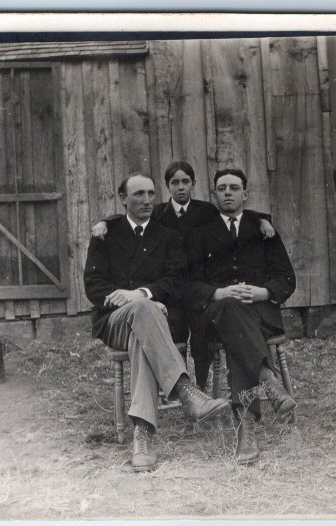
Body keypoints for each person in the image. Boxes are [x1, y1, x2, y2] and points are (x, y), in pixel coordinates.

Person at [83, 173, 229, 472]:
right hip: (114, 320)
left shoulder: (168, 236)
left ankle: (143, 433)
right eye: (138, 194)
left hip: (154, 323)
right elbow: (93, 286)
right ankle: (185, 390)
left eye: (151, 193)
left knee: (144, 321)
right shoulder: (105, 235)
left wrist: (142, 295)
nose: (147, 200)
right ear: (123, 198)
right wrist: (128, 300)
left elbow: (176, 281)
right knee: (142, 310)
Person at [91, 161, 275, 391]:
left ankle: (200, 385)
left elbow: (236, 212)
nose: (181, 187)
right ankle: (181, 385)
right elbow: (130, 219)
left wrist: (262, 219)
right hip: (173, 288)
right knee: (177, 333)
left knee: (201, 336)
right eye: (175, 182)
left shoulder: (206, 210)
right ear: (168, 186)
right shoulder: (157, 212)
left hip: (198, 281)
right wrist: (104, 221)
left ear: (194, 184)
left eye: (185, 181)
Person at [185, 168, 297, 464]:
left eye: (234, 188)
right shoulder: (200, 234)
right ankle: (268, 381)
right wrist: (218, 293)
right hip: (216, 312)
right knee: (231, 312)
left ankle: (246, 430)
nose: (228, 192)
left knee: (236, 334)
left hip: (259, 312)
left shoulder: (264, 231)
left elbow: (287, 278)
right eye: (222, 188)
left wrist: (262, 292)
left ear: (245, 194)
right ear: (214, 194)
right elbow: (189, 283)